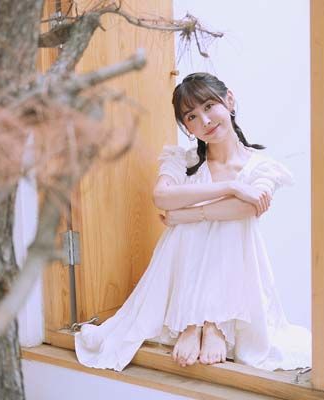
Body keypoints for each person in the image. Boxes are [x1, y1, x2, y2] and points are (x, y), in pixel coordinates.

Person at [74, 72, 311, 372]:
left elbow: (244, 210)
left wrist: (185, 215)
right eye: (192, 117)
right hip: (181, 267)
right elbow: (161, 196)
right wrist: (231, 187)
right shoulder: (183, 161)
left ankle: (210, 324)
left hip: (237, 268)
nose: (205, 121)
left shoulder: (261, 167)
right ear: (187, 127)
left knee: (227, 224)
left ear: (229, 100)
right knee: (208, 222)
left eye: (209, 106)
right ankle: (195, 322)